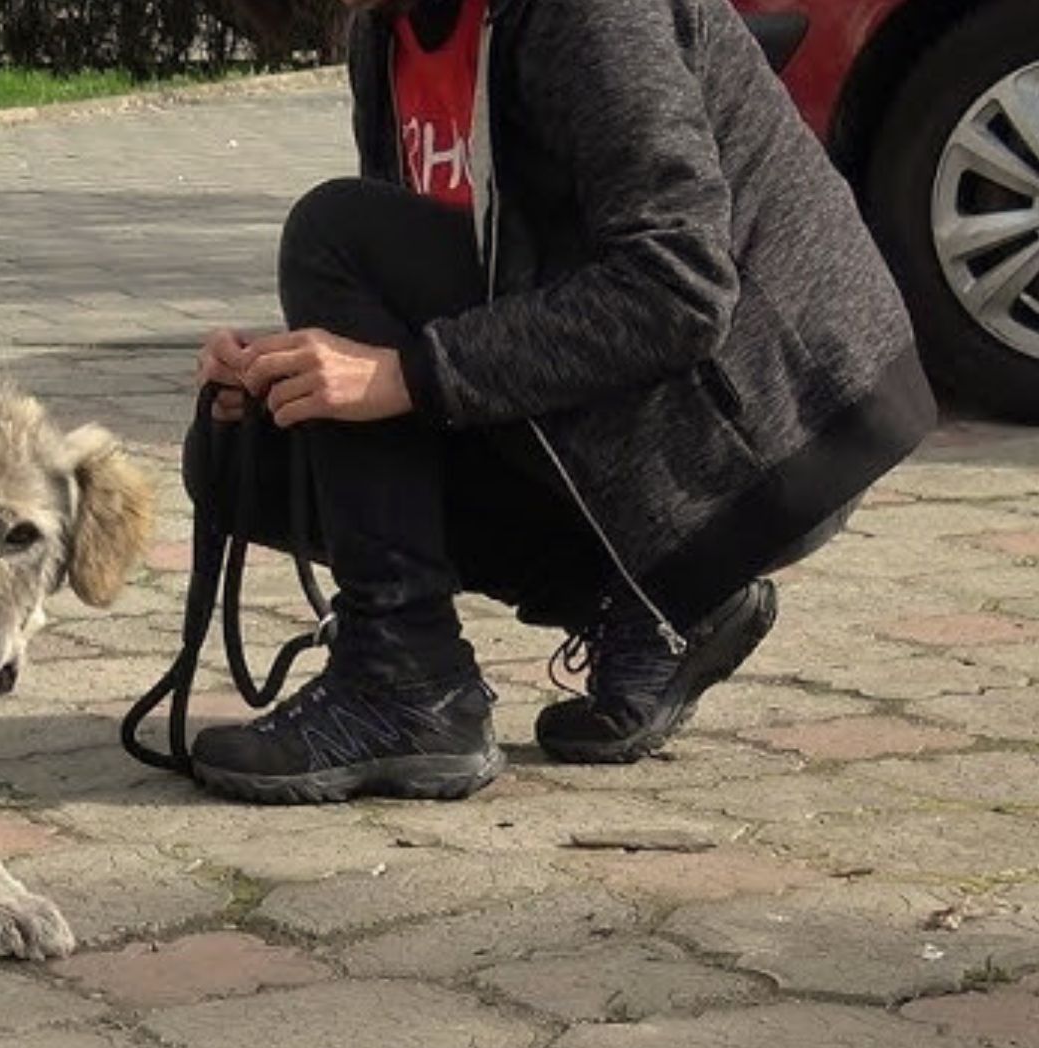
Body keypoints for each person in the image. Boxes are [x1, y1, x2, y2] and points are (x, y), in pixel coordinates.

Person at [185, 0, 935, 804]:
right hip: (650, 413)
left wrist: (411, 375)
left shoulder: (588, 12)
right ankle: (658, 608)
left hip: (774, 423)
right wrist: (295, 364)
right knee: (251, 454)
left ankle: (406, 686)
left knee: (333, 232)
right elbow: (418, 284)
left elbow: (678, 288)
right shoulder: (386, 33)